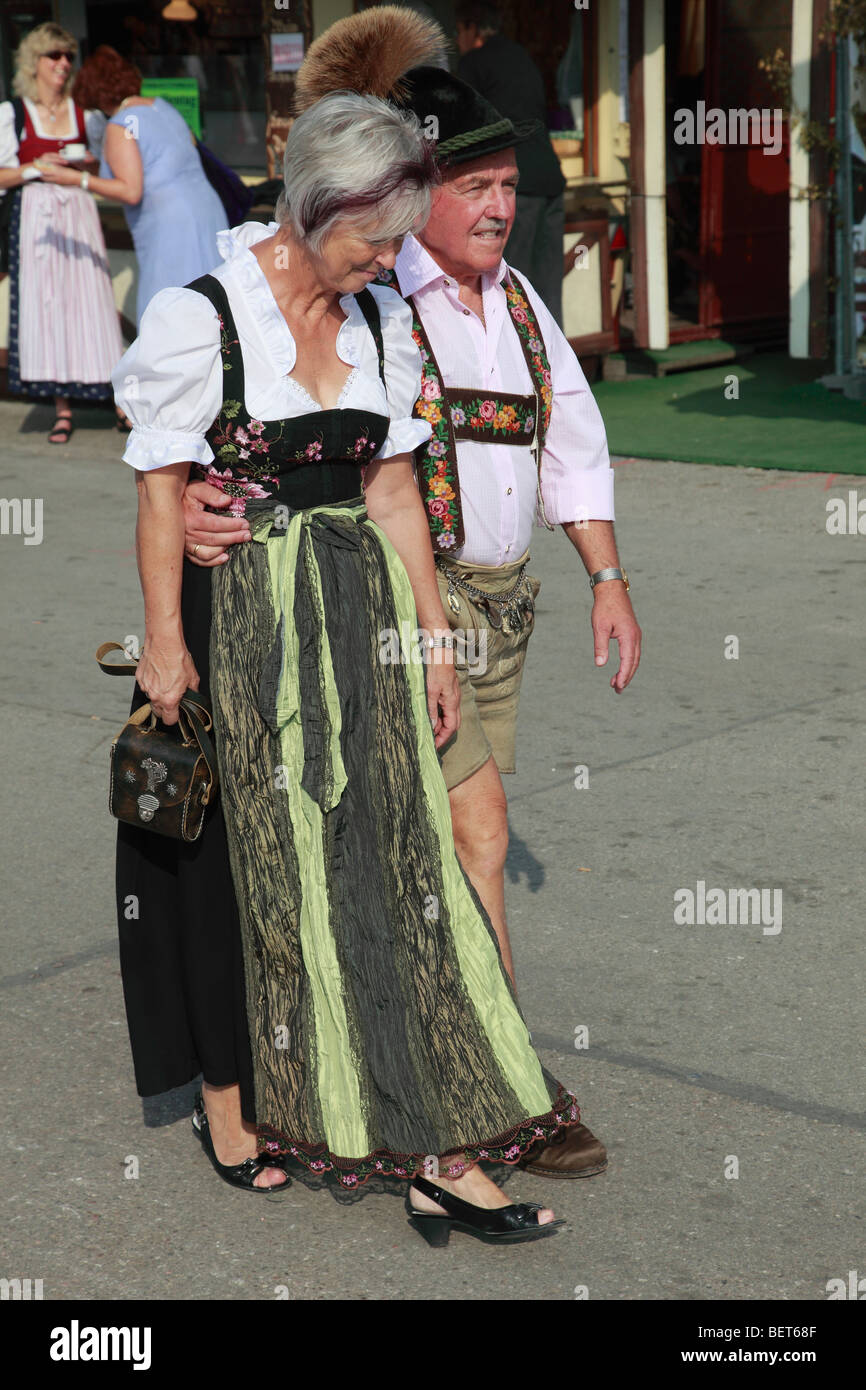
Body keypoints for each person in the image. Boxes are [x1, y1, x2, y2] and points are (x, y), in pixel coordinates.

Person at [113, 69, 580, 1243]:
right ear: (316, 214)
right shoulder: (199, 317)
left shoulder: (376, 320)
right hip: (245, 626)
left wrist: (429, 647)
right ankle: (235, 1103)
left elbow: (390, 495)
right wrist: (164, 646)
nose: (388, 265)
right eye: (372, 245)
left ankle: (438, 1146)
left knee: (392, 863)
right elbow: (163, 494)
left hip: (359, 619)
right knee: (244, 871)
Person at [185, 14, 642, 1182]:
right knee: (467, 838)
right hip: (395, 612)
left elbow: (572, 453)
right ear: (415, 193)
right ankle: (498, 1087)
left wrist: (605, 577)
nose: (499, 206)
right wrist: (200, 501)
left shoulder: (525, 310)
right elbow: (240, 352)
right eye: (477, 185)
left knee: (430, 847)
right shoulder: (378, 287)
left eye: (507, 186)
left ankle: (404, 1066)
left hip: (502, 611)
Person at [0, 23, 123, 443]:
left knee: (93, 302)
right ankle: (62, 408)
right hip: (37, 218)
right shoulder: (12, 113)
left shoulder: (83, 113)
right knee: (47, 306)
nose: (63, 63)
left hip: (79, 211)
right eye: (54, 55)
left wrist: (87, 162)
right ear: (33, 62)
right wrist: (38, 166)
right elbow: (2, 175)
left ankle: (121, 401)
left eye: (68, 55)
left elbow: (104, 168)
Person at [70, 47, 228, 329]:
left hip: (170, 225)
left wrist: (78, 179)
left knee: (169, 314)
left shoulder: (119, 126)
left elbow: (130, 190)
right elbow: (163, 161)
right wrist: (93, 168)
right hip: (207, 212)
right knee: (211, 307)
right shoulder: (161, 106)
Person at [455, 0, 567, 327]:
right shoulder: (521, 56)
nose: (458, 40)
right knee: (547, 288)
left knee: (511, 283)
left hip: (518, 184)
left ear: (472, 30)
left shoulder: (474, 62)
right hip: (551, 179)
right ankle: (552, 369)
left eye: (459, 31)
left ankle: (519, 371)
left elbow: (466, 129)